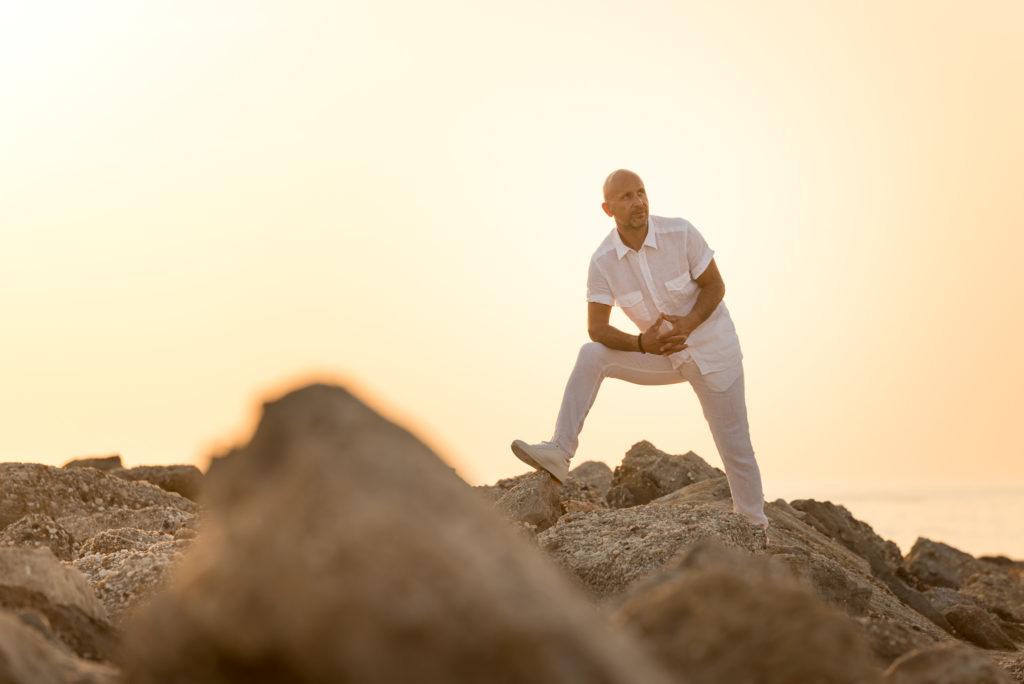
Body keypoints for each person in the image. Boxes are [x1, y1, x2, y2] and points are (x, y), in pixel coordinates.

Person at [511, 169, 768, 529]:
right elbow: (596, 327)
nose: (639, 202)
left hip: (714, 353)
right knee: (592, 354)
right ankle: (559, 451)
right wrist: (640, 344)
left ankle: (754, 529)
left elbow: (715, 285)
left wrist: (689, 323)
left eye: (641, 193)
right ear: (607, 208)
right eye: (627, 197)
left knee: (736, 448)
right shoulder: (602, 261)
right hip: (661, 356)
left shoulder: (680, 233)